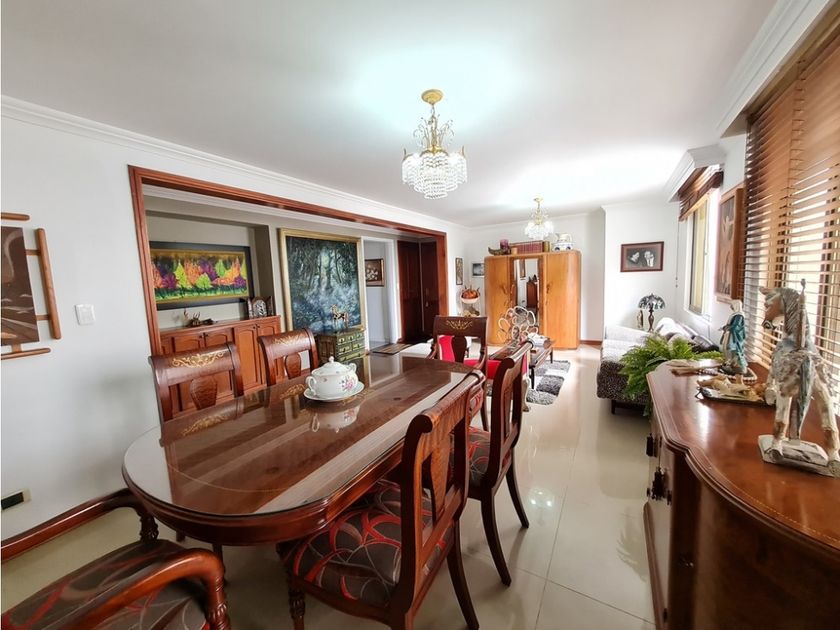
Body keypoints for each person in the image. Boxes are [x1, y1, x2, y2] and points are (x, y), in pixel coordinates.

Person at [720, 300, 747, 375]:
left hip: (735, 336)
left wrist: (726, 328)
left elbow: (736, 326)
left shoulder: (739, 316)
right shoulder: (735, 315)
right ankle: (732, 363)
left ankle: (738, 366)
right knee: (730, 350)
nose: (731, 307)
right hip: (731, 334)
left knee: (735, 350)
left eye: (732, 305)